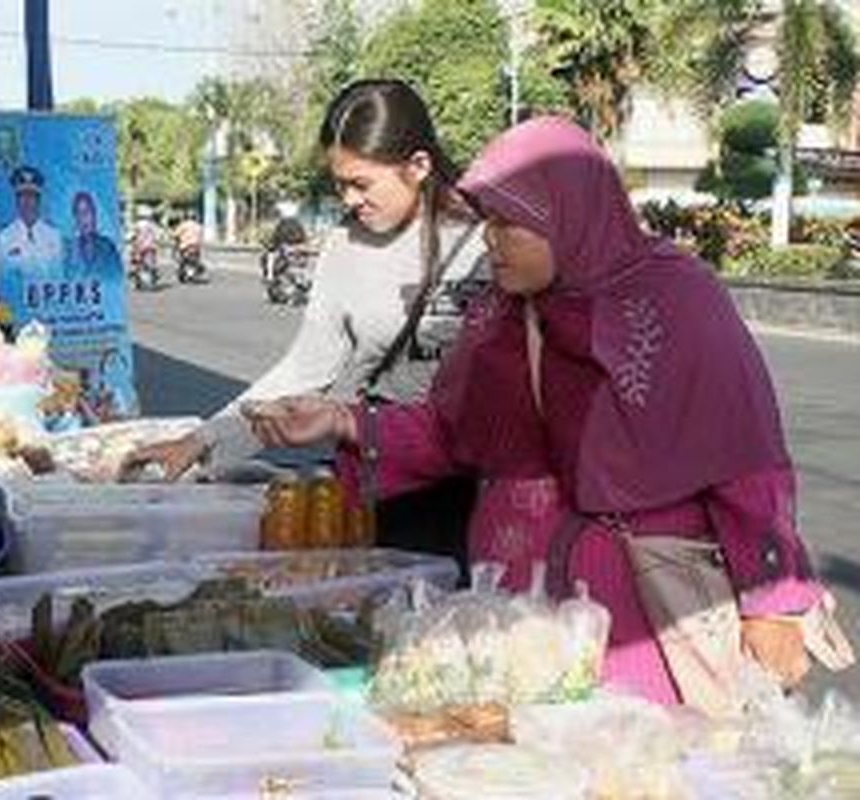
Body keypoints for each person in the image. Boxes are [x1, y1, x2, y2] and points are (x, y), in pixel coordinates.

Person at [242, 117, 852, 707]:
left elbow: (745, 460)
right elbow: (454, 434)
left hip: (641, 623)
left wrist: (770, 603)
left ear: (566, 216)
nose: (490, 239)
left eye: (509, 223)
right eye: (486, 221)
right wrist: (341, 420)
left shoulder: (677, 302)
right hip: (517, 618)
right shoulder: (502, 320)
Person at [128, 79, 487, 559]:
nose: (349, 200)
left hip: (481, 493)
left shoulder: (493, 243)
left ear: (418, 165)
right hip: (378, 491)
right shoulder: (345, 246)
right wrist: (204, 437)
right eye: (340, 185)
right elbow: (308, 365)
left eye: (362, 183)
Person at [0, 166, 62, 272]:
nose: (26, 202)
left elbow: (58, 274)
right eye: (21, 196)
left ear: (38, 200)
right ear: (16, 201)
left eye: (31, 196)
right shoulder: (5, 237)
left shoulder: (54, 236)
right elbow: (4, 276)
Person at [66, 191, 122, 281]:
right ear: (75, 219)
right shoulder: (70, 251)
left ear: (94, 214)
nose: (83, 218)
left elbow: (116, 278)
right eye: (79, 214)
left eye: (87, 212)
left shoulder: (108, 248)